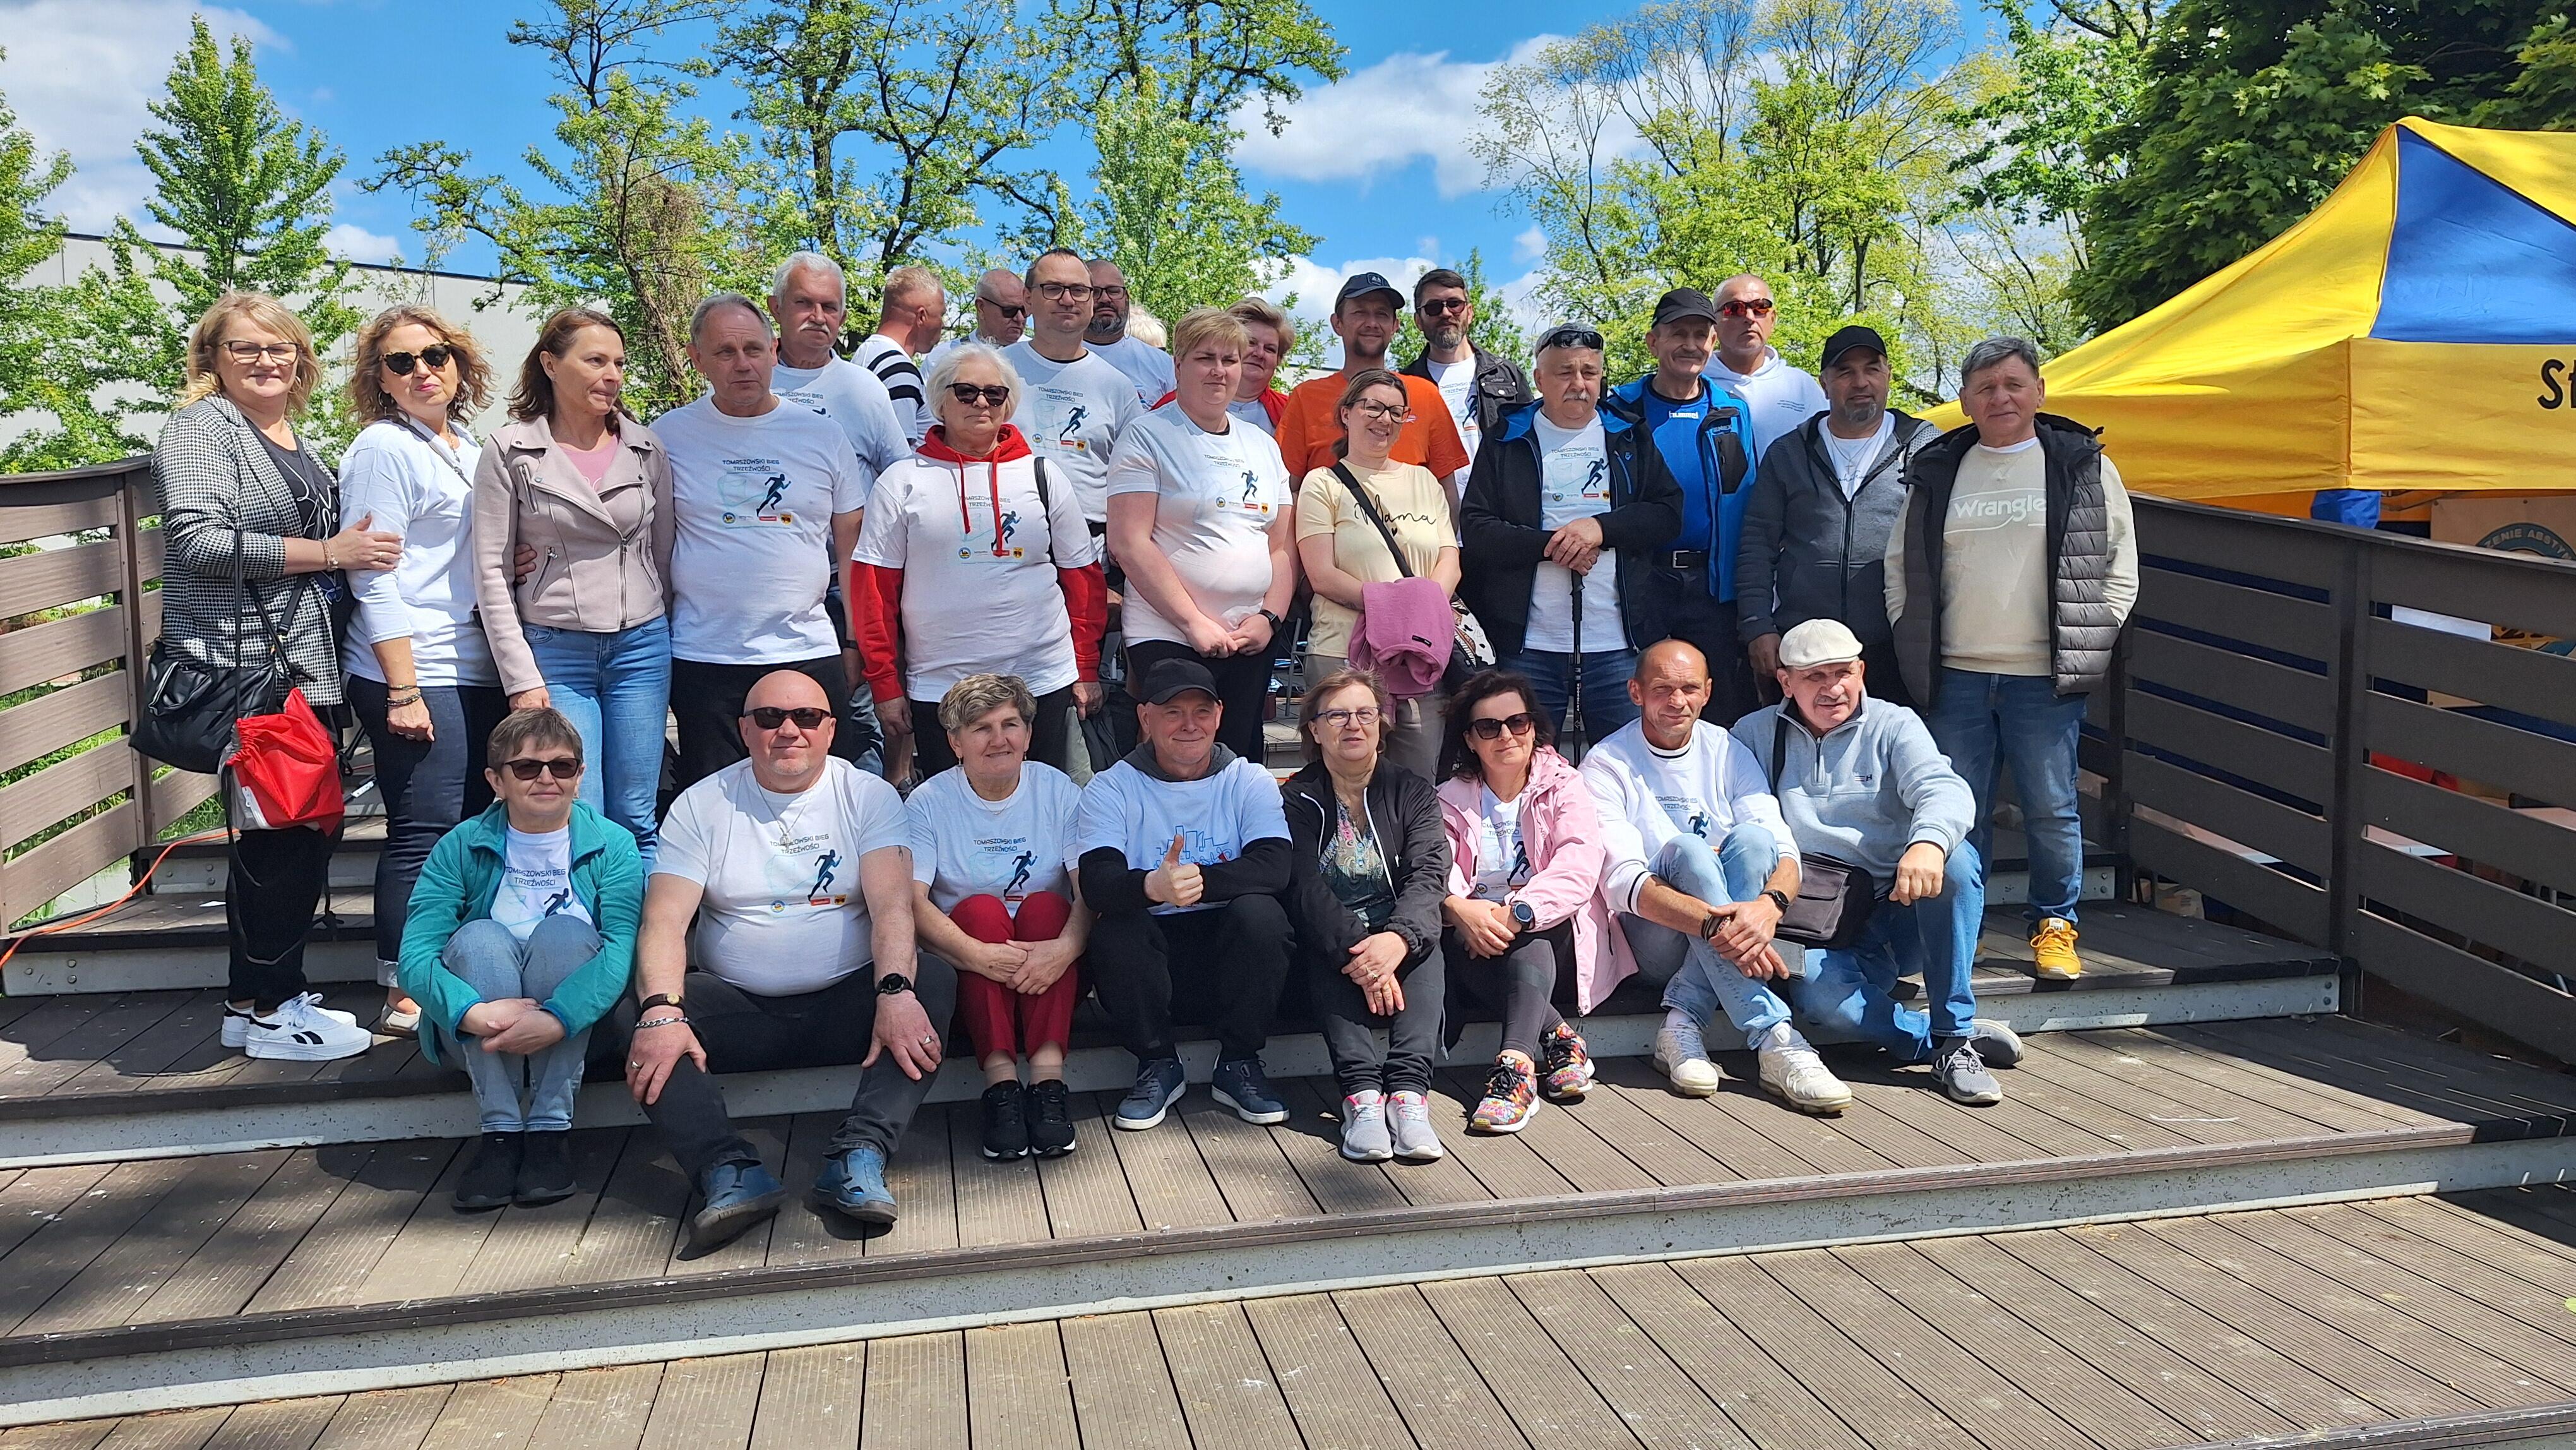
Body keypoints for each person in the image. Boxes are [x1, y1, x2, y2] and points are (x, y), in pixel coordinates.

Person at [608, 670, 956, 1251]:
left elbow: (893, 907)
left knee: (932, 980)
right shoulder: (702, 803)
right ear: (745, 730)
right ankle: (727, 1171)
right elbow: (664, 921)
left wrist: (894, 989)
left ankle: (861, 1155)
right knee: (639, 1012)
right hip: (740, 1009)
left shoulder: (867, 795)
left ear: (831, 730)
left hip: (849, 1006)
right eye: (770, 718)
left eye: (806, 717)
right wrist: (663, 1010)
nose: (789, 730)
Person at [156, 292, 393, 1062]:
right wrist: (329, 555)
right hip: (248, 667)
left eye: (279, 347)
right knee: (285, 839)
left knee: (291, 833)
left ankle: (249, 1001)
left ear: (300, 357)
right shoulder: (201, 428)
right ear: (213, 359)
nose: (265, 360)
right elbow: (197, 541)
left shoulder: (290, 434)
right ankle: (273, 1010)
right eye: (245, 348)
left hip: (300, 664)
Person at [1887, 337, 2137, 981]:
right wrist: (1908, 630)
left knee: (2051, 809)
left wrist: (2095, 633)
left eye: (2013, 384)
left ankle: (2054, 924)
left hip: (2044, 676)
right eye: (1986, 388)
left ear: (2039, 392)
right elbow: (1900, 563)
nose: (2001, 397)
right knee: (1957, 808)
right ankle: (1961, 932)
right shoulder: (1940, 468)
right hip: (1956, 673)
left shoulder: (2080, 465)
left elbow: (2120, 566)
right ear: (1966, 401)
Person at [1738, 620, 2023, 1105]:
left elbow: (1944, 788)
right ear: (1785, 682)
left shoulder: (1894, 724)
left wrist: (1927, 843)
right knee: (1824, 1004)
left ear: (1862, 671)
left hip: (1897, 911)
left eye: (1843, 673)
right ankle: (1940, 1041)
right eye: (1815, 676)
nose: (1833, 688)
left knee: (1956, 862)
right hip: (1816, 922)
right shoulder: (1753, 734)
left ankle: (1954, 1033)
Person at [1580, 640, 1850, 1113]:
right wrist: (1723, 927)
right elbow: (1621, 883)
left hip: (1729, 934)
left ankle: (1682, 1022)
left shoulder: (1728, 751)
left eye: (1689, 689)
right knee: (1688, 851)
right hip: (1653, 941)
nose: (1677, 701)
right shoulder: (1606, 764)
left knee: (1754, 841)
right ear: (1635, 692)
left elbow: (1783, 850)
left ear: (1707, 692)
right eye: (1662, 689)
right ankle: (1775, 1036)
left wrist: (1768, 908)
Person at [339, 306, 508, 1038]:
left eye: (436, 355)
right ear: (379, 379)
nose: (422, 371)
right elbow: (373, 577)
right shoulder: (384, 448)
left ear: (460, 364)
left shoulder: (466, 447)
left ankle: (453, 968)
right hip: (413, 666)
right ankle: (404, 990)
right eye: (400, 361)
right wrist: (404, 690)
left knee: (470, 826)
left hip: (473, 665)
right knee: (425, 830)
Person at [398, 708, 643, 1209]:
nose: (547, 778)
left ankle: (550, 1129)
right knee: (479, 939)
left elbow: (622, 949)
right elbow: (415, 955)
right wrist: (472, 1013)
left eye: (562, 766)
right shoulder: (459, 846)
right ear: (496, 780)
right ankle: (501, 1132)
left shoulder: (614, 845)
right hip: (477, 1028)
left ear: (580, 775)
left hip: (579, 1030)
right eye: (528, 767)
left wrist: (558, 1018)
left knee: (566, 934)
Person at [474, 309, 675, 866]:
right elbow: (491, 572)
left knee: (637, 813)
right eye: (595, 361)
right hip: (555, 652)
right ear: (550, 364)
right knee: (578, 807)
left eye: (619, 364)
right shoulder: (510, 451)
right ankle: (582, 918)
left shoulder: (647, 449)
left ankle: (638, 923)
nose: (612, 376)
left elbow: (662, 554)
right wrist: (520, 677)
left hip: (641, 648)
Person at [850, 342, 1106, 778]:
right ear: (940, 401)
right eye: (966, 392)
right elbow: (874, 593)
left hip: (1041, 680)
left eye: (994, 393)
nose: (981, 402)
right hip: (941, 687)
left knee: (1045, 803)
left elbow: (1083, 580)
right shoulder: (902, 481)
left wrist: (1085, 668)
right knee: (953, 810)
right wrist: (886, 685)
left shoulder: (1043, 475)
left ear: (1008, 403)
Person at [656, 294, 880, 788]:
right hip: (706, 656)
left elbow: (854, 551)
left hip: (806, 649)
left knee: (820, 797)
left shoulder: (823, 436)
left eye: (754, 350)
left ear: (774, 351)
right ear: (696, 359)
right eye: (725, 352)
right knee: (716, 802)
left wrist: (854, 642)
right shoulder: (667, 437)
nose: (743, 364)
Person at [1076, 659, 1294, 1132]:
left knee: (1263, 914)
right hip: (1152, 963)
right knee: (1116, 926)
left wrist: (1196, 883)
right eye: (1173, 712)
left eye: (1201, 711)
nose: (1189, 725)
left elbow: (1275, 866)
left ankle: (1239, 1061)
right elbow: (1097, 881)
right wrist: (1151, 887)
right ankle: (1157, 1062)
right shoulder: (1111, 786)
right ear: (1145, 717)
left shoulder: (1248, 779)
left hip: (1230, 959)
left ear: (1220, 715)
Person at [1458, 324, 1681, 741]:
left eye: (1589, 372)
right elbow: (1478, 528)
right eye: (1565, 372)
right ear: (1539, 379)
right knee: (1526, 763)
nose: (1579, 384)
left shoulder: (1629, 434)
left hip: (1618, 643)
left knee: (1624, 760)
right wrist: (1553, 546)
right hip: (1529, 646)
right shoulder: (1506, 437)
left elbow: (1667, 514)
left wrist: (1599, 529)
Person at [906, 674, 1090, 1161]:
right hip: (969, 961)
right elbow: (912, 901)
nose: (999, 739)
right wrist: (976, 954)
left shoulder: (1059, 790)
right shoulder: (928, 802)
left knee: (1048, 906)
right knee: (980, 911)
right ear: (955, 743)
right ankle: (1002, 1087)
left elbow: (1087, 889)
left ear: (1029, 735)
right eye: (981, 728)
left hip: (1049, 962)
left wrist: (1066, 949)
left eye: (1011, 724)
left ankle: (1048, 1085)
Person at [1105, 306, 1296, 762]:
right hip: (1169, 634)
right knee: (1181, 760)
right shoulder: (1146, 436)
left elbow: (1282, 547)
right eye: (1205, 358)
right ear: (1178, 365)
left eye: (1230, 360)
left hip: (1249, 636)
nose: (1219, 371)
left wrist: (1269, 619)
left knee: (1239, 761)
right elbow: (1129, 543)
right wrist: (1192, 622)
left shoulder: (1263, 445)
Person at [1282, 671, 1450, 1164]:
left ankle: (1409, 1095)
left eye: (1364, 713)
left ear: (1381, 723)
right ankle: (1361, 1099)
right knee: (1327, 945)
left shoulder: (1412, 790)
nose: (1353, 725)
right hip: (1333, 940)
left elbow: (1430, 873)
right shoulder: (1296, 798)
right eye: (1337, 715)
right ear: (1315, 730)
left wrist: (1396, 940)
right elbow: (1303, 886)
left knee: (1425, 942)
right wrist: (1365, 952)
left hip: (1397, 931)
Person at [1436, 671, 1613, 1134]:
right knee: (1463, 938)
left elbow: (1578, 864)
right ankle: (1559, 1039)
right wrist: (1460, 908)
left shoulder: (1565, 785)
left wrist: (1518, 912)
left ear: (1534, 727)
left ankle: (1515, 1068)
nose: (1506, 736)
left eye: (1517, 722)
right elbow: (1437, 867)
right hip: (1478, 936)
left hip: (1555, 937)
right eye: (1488, 727)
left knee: (1530, 937)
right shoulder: (1447, 799)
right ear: (1469, 739)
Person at [1737, 325, 1935, 709]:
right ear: (1824, 384)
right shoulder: (1789, 452)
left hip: (1896, 647)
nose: (1860, 382)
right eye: (1845, 372)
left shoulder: (1925, 447)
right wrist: (1757, 626)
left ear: (1888, 375)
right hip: (1804, 647)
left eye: (1872, 369)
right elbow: (1756, 544)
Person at [1294, 368, 1459, 781]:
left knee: (1417, 784)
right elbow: (1322, 574)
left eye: (1396, 412)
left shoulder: (1424, 481)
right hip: (1341, 655)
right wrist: (1400, 610)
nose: (1385, 419)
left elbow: (1450, 560)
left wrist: (1415, 618)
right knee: (1342, 782)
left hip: (1418, 657)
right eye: (1373, 407)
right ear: (1346, 413)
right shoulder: (1322, 483)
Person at [1609, 288, 1762, 724]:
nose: (1690, 345)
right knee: (1639, 705)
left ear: (1713, 342)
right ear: (1653, 342)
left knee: (1716, 708)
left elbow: (1748, 498)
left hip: (1712, 587)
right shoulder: (1619, 410)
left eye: (1700, 335)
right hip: (1640, 580)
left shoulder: (1732, 411)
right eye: (1678, 334)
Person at [1274, 273, 1471, 497]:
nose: (1372, 323)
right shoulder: (1306, 397)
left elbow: (1447, 493)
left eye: (1382, 314)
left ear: (1395, 326)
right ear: (1337, 323)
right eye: (1360, 313)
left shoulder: (1425, 394)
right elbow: (1286, 491)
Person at [1004, 249, 1145, 528]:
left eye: (1079, 290)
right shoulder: (995, 371)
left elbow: (1137, 475)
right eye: (1053, 289)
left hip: (1092, 542)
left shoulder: (1116, 387)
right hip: (1007, 536)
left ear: (1091, 302)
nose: (1067, 300)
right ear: (1028, 299)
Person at [766, 251, 911, 476]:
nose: (818, 317)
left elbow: (900, 475)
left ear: (842, 318)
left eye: (829, 307)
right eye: (804, 303)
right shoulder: (746, 380)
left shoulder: (864, 389)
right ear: (776, 308)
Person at [1399, 267, 1531, 461]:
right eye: (1433, 307)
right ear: (1418, 321)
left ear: (1470, 313)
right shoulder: (1403, 386)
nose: (1446, 313)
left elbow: (1531, 443)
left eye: (1455, 304)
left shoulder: (1508, 374)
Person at [1706, 274, 1827, 459]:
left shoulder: (1801, 387)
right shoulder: (1695, 385)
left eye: (1760, 307)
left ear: (1773, 319)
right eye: (1735, 309)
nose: (1749, 317)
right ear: (1714, 322)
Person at [1147, 296, 1295, 434]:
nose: (1260, 353)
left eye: (1270, 349)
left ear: (1279, 359)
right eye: (1251, 343)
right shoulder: (1171, 406)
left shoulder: (1291, 411)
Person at [857, 265, 946, 443]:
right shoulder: (900, 372)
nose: (942, 325)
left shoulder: (864, 354)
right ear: (922, 317)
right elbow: (899, 453)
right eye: (941, 315)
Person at [1085, 258, 1176, 409]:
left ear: (1126, 297)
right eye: (1095, 292)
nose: (1105, 299)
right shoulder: (1058, 357)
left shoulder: (1162, 364)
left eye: (1114, 291)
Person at [926, 268, 1030, 372]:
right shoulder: (941, 359)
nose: (1020, 318)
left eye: (1025, 310)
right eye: (1010, 310)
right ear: (981, 308)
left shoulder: (1036, 354)